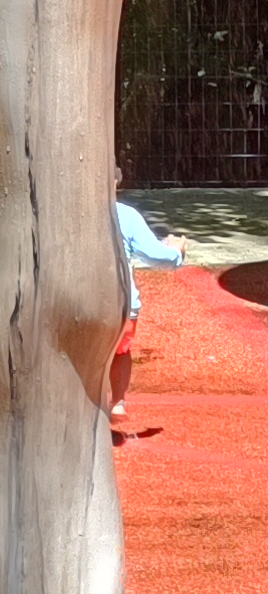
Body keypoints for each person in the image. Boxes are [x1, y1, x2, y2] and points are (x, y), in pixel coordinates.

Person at [111, 180, 184, 429]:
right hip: (122, 304)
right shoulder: (125, 215)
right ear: (115, 182)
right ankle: (117, 401)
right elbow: (155, 255)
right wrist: (176, 251)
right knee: (120, 351)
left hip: (77, 303)